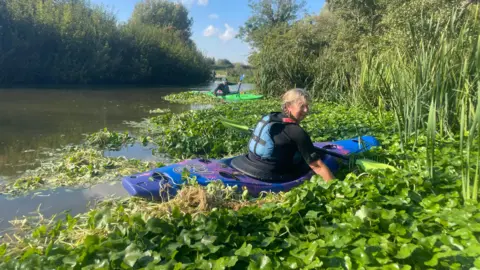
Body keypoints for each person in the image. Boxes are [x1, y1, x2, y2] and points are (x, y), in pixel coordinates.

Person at [231, 88, 335, 182]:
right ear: (288, 106)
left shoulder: (270, 117)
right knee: (321, 158)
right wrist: (336, 188)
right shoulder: (297, 132)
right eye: (302, 106)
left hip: (251, 162)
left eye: (307, 106)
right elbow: (317, 166)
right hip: (270, 173)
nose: (306, 110)